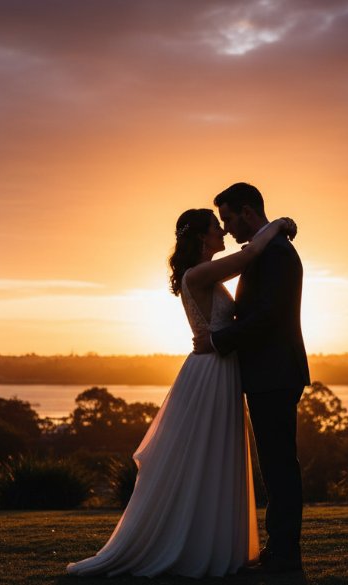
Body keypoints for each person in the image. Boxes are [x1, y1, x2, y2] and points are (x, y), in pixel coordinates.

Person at [65, 207, 296, 578]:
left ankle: (213, 542)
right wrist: (279, 225)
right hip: (211, 372)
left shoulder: (203, 274)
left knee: (215, 457)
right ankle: (189, 544)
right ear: (202, 238)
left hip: (219, 367)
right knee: (205, 455)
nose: (223, 232)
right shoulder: (199, 274)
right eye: (216, 228)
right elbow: (251, 254)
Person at [194, 182, 311, 573]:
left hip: (275, 372)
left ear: (247, 212)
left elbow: (267, 318)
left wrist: (217, 340)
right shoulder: (266, 249)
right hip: (267, 372)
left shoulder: (275, 253)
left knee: (279, 467)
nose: (225, 228)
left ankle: (284, 554)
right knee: (276, 466)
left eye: (227, 217)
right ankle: (279, 549)